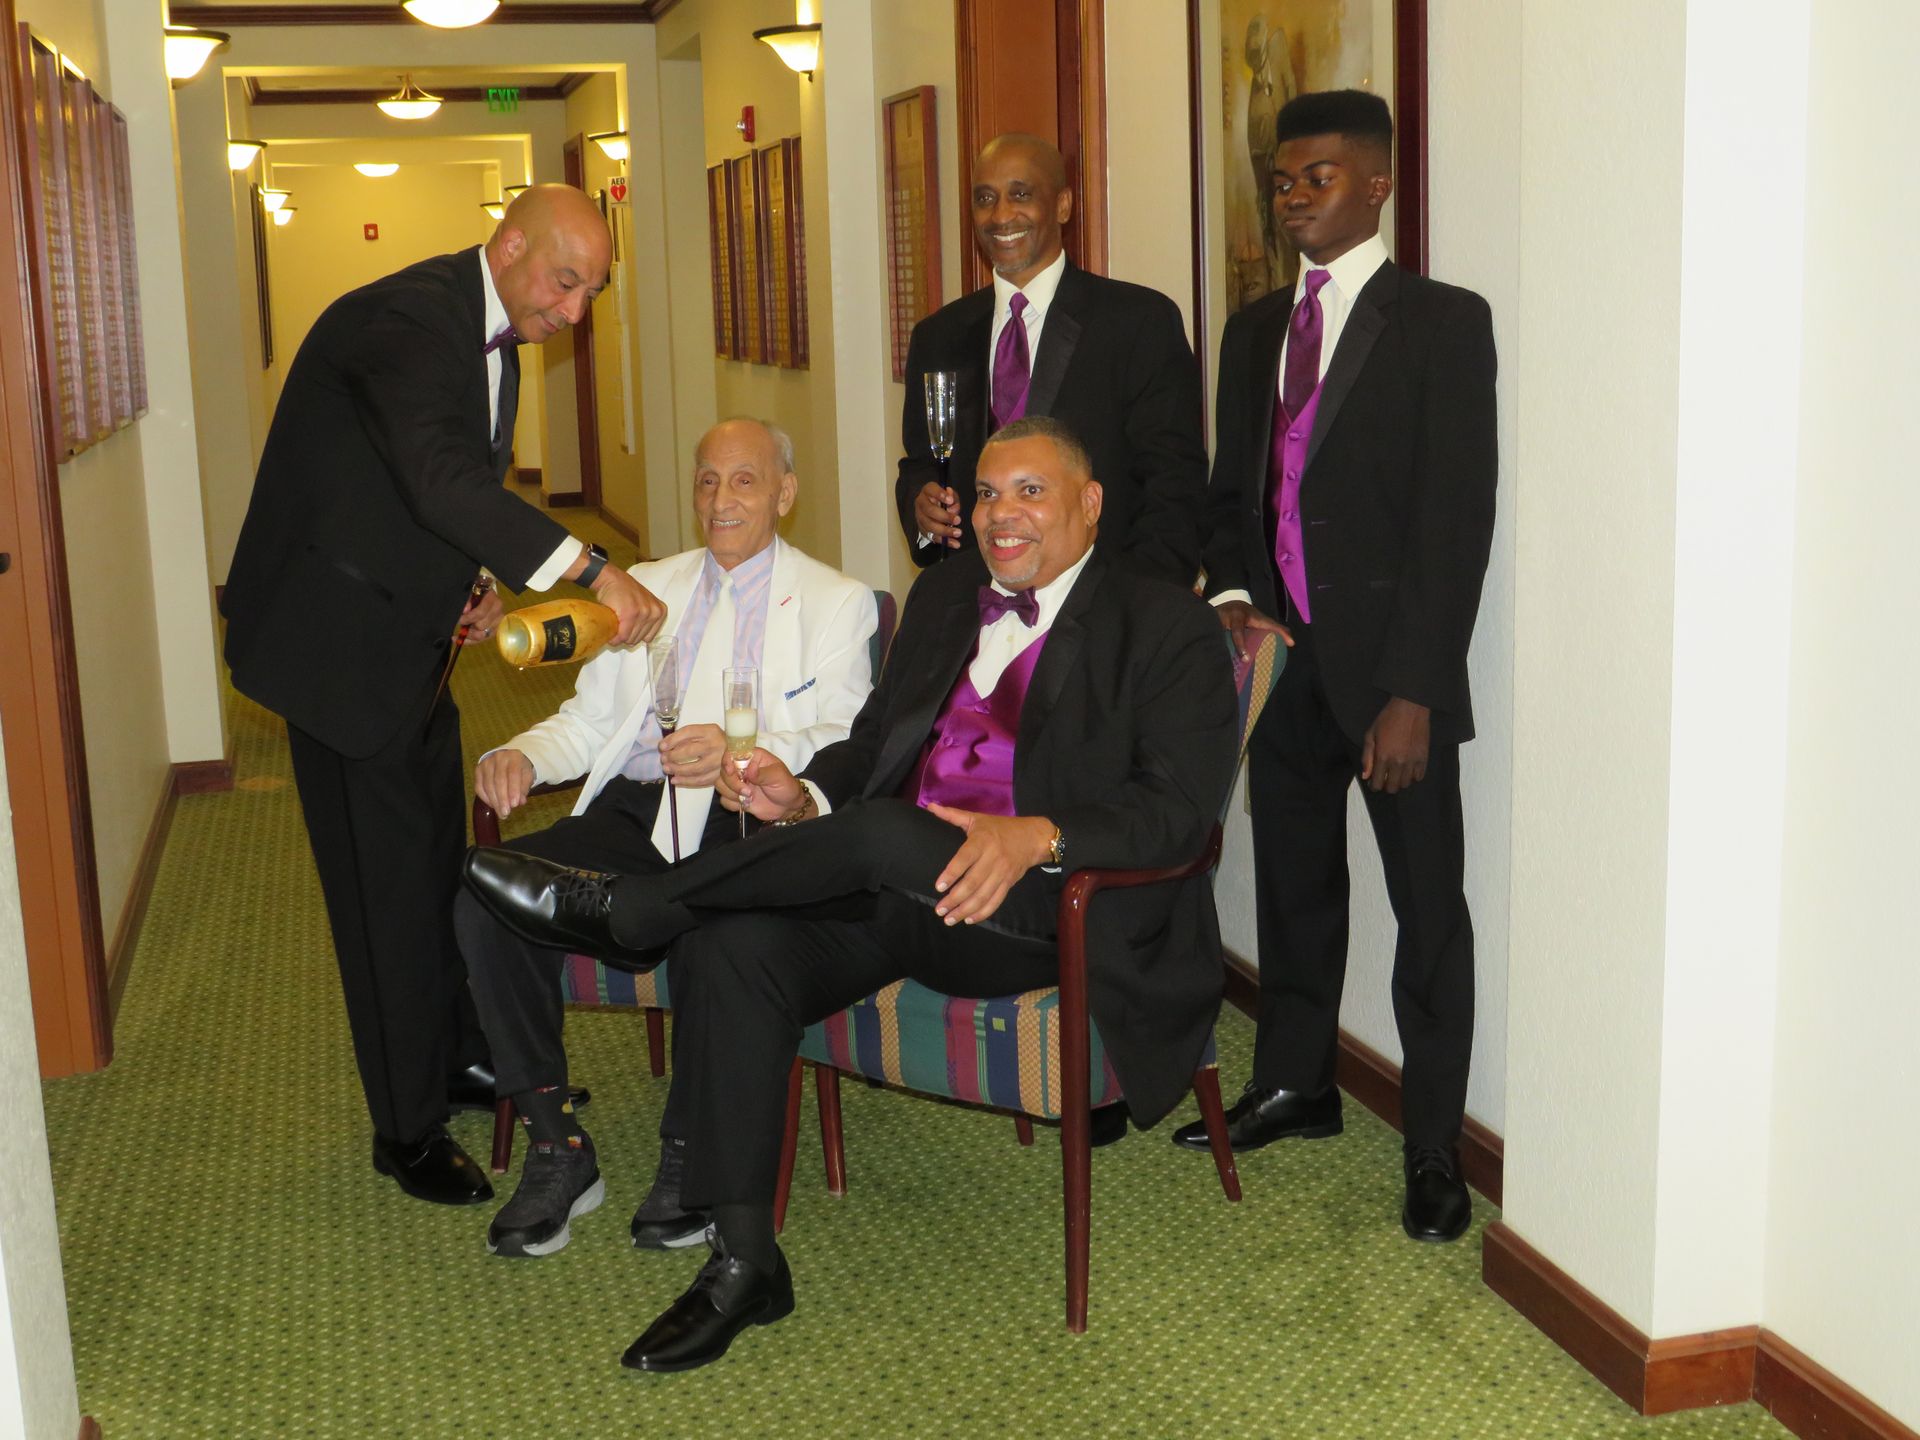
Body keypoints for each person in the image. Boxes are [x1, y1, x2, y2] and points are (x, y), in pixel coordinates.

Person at [465, 416, 1239, 1371]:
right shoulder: (947, 593)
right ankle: (745, 1260)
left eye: (1031, 493)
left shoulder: (1164, 623)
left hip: (1036, 908)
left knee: (877, 833)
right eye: (987, 493)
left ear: (1090, 504)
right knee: (734, 945)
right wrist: (804, 795)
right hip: (895, 897)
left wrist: (1039, 834)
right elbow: (872, 742)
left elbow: (1179, 814)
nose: (1001, 515)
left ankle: (637, 908)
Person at [221, 184, 668, 1206]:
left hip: (408, 636)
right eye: (565, 281)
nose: (575, 311)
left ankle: (463, 1056)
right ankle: (406, 1127)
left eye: (593, 292)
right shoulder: (408, 320)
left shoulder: (488, 328)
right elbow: (438, 481)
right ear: (508, 246)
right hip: (338, 654)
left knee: (435, 867)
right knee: (381, 897)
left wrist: (470, 585)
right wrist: (594, 570)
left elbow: (427, 492)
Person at [1172, 90, 1497, 1245]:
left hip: (1394, 682)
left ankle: (1434, 1147)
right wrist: (1232, 602)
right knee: (1296, 889)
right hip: (1285, 666)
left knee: (1428, 913)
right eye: (1282, 180)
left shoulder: (1442, 323)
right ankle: (1299, 1085)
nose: (1293, 197)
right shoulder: (1255, 330)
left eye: (1317, 177)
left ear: (1376, 183)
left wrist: (1417, 690)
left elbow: (1455, 521)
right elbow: (1231, 496)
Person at [453, 417, 877, 1259]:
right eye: (707, 480)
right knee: (487, 897)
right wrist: (522, 754)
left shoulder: (837, 601)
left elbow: (843, 737)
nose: (721, 499)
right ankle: (556, 1145)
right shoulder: (645, 587)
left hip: (745, 819)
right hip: (635, 813)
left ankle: (690, 1148)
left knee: (715, 928)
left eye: (745, 480)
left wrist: (745, 752)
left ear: (785, 494)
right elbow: (588, 722)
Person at [894, 134, 1207, 586]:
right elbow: (921, 463)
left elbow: (1173, 483)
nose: (1001, 215)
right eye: (985, 199)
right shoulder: (938, 336)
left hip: (1106, 597)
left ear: (1062, 205)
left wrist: (1137, 603)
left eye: (1021, 195)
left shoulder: (1138, 323)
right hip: (974, 599)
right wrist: (922, 511)